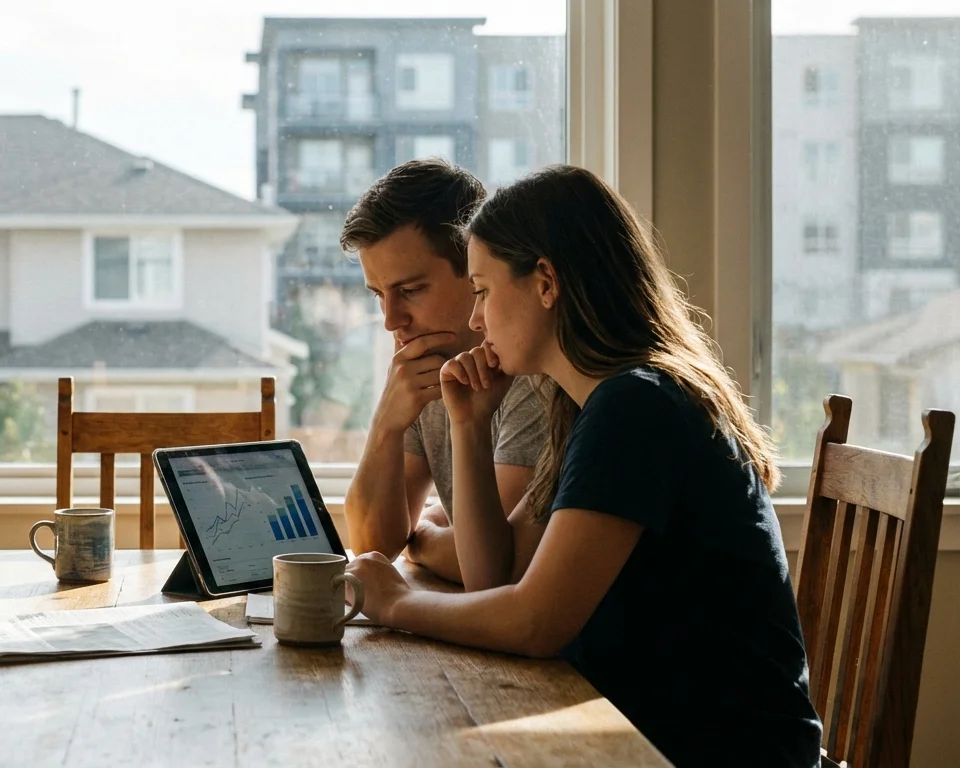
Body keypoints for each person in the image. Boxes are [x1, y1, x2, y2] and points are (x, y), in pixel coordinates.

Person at [347, 165, 822, 766]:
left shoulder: (638, 404)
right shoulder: (589, 405)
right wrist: (468, 425)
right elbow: (495, 583)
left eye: (485, 291)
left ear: (545, 282)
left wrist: (394, 604)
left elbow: (535, 622)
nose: (475, 319)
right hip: (651, 731)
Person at [340, 159, 547, 583]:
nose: (390, 320)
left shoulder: (534, 376)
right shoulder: (425, 372)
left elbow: (495, 564)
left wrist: (425, 538)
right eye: (379, 295)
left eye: (411, 291)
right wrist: (384, 426)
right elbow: (371, 545)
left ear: (474, 272)